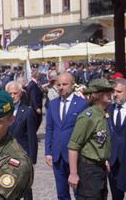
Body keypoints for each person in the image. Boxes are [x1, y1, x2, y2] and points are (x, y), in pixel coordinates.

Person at [68, 78, 115, 200]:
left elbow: (100, 142)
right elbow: (73, 146)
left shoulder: (103, 113)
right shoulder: (88, 116)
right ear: (96, 95)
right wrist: (73, 174)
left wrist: (103, 159)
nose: (110, 94)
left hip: (100, 168)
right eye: (106, 91)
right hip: (88, 170)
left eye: (110, 91)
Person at [45, 72, 88, 200]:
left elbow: (84, 131)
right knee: (62, 193)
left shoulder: (82, 104)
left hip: (75, 155)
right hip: (57, 155)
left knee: (78, 191)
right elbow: (49, 129)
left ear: (73, 85)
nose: (61, 87)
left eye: (65, 84)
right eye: (58, 84)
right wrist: (48, 151)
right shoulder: (52, 104)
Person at [6, 81, 37, 200]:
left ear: (21, 93)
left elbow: (32, 137)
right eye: (10, 93)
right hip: (6, 154)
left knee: (25, 187)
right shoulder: (2, 111)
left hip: (22, 155)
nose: (12, 96)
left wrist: (32, 159)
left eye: (15, 93)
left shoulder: (27, 112)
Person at [107, 78, 126, 200]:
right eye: (113, 91)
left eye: (119, 91)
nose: (115, 95)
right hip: (114, 162)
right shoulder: (109, 109)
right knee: (116, 196)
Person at [27, 67, 43, 131]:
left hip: (35, 106)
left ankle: (33, 134)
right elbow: (33, 97)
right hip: (34, 107)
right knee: (36, 121)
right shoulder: (33, 84)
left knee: (37, 120)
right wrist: (36, 108)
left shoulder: (35, 83)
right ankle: (33, 134)